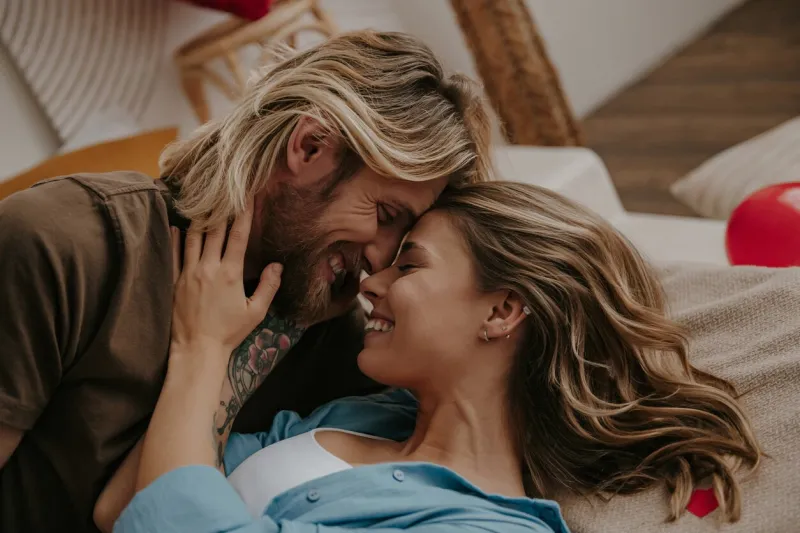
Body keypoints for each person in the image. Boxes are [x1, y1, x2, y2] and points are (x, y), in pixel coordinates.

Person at [0, 31, 493, 533]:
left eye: (404, 236)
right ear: (309, 146)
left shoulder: (335, 335)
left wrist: (273, 328)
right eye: (385, 214)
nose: (380, 259)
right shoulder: (65, 242)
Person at [96, 182, 762, 532]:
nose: (372, 282)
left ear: (502, 310)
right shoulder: (355, 417)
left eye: (408, 264)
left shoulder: (482, 526)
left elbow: (174, 509)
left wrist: (202, 345)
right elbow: (129, 503)